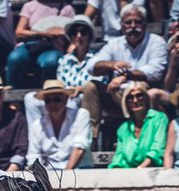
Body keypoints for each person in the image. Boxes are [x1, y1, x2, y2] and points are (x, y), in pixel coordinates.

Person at [83, 6, 168, 138]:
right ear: (122, 25)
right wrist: (112, 65)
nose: (133, 26)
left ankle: (149, 138)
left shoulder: (156, 41)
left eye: (138, 22)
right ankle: (90, 138)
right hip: (118, 97)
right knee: (90, 87)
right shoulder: (115, 43)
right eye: (128, 23)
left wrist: (125, 76)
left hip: (144, 96)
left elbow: (155, 71)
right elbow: (91, 66)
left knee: (142, 88)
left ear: (145, 25)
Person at [5, 0, 71, 88]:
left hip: (53, 48)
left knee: (50, 61)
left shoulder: (67, 9)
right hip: (30, 46)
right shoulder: (29, 6)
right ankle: (13, 93)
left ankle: (50, 93)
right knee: (15, 58)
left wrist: (60, 33)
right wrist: (40, 34)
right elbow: (19, 32)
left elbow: (71, 33)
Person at [26, 79, 91, 169]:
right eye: (48, 101)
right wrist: (43, 178)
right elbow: (33, 156)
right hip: (50, 173)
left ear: (66, 99)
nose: (52, 104)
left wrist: (65, 176)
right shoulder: (37, 124)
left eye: (57, 99)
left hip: (79, 171)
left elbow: (79, 148)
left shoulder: (81, 115)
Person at [108, 80, 166, 168]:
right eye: (130, 98)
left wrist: (141, 168)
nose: (135, 100)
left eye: (139, 96)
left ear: (146, 98)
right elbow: (119, 158)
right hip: (129, 174)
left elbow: (158, 149)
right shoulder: (123, 129)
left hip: (153, 171)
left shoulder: (159, 118)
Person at [56, 14, 95, 91]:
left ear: (89, 36)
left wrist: (80, 90)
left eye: (83, 32)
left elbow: (98, 84)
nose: (78, 36)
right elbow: (60, 84)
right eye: (74, 32)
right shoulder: (64, 60)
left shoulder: (97, 59)